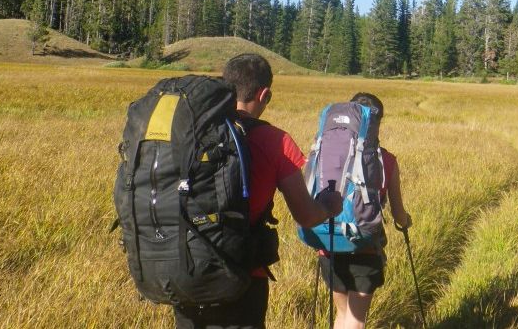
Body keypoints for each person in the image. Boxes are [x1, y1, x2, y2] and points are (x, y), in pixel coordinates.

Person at [175, 53, 342, 329]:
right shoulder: (277, 141)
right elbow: (306, 216)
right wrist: (328, 206)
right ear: (265, 94)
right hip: (242, 277)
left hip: (187, 270)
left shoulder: (192, 131)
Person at [318, 92, 412, 329]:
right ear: (377, 122)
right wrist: (405, 221)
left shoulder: (328, 154)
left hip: (329, 243)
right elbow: (399, 215)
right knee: (356, 320)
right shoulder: (387, 160)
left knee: (341, 315)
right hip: (365, 246)